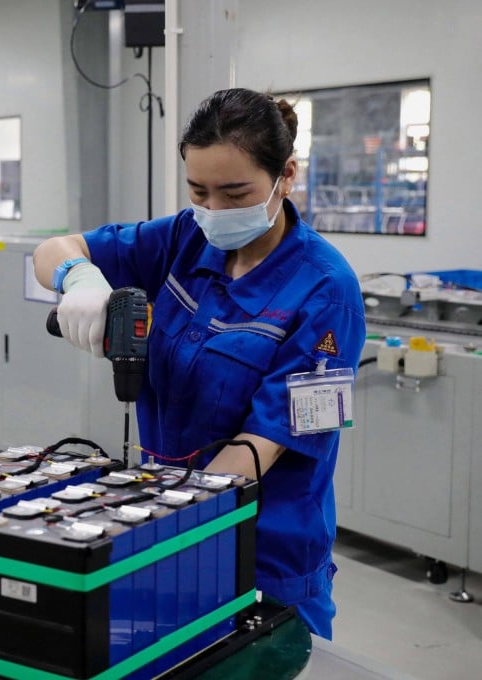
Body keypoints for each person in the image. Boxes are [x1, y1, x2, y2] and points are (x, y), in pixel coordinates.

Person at [33, 88, 366, 639]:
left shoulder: (327, 291)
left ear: (286, 175)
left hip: (261, 555)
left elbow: (262, 444)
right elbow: (55, 249)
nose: (214, 212)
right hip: (168, 524)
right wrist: (81, 278)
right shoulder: (184, 239)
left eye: (236, 194)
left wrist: (153, 521)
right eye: (198, 192)